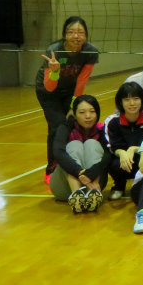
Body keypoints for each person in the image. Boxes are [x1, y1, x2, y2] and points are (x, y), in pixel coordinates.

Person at [36, 15, 100, 179]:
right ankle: (51, 168)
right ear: (64, 34)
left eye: (80, 32)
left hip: (70, 90)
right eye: (71, 32)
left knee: (72, 123)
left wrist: (73, 106)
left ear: (86, 35)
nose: (76, 36)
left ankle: (71, 163)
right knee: (57, 126)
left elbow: (81, 81)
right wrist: (55, 71)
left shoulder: (90, 51)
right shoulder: (55, 50)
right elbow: (49, 86)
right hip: (48, 91)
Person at [50, 94, 112, 212]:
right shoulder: (65, 128)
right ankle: (76, 196)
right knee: (75, 145)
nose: (87, 116)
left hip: (95, 182)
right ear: (74, 114)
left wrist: (92, 173)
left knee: (91, 144)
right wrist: (80, 173)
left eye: (92, 111)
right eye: (82, 112)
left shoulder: (103, 130)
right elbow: (58, 152)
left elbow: (109, 155)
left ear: (97, 113)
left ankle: (93, 194)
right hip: (64, 187)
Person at [104, 81, 143, 200]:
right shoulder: (112, 121)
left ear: (142, 100)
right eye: (127, 100)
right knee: (112, 162)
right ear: (120, 102)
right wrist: (122, 153)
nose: (132, 103)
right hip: (124, 160)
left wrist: (133, 149)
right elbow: (113, 146)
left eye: (136, 99)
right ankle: (119, 186)